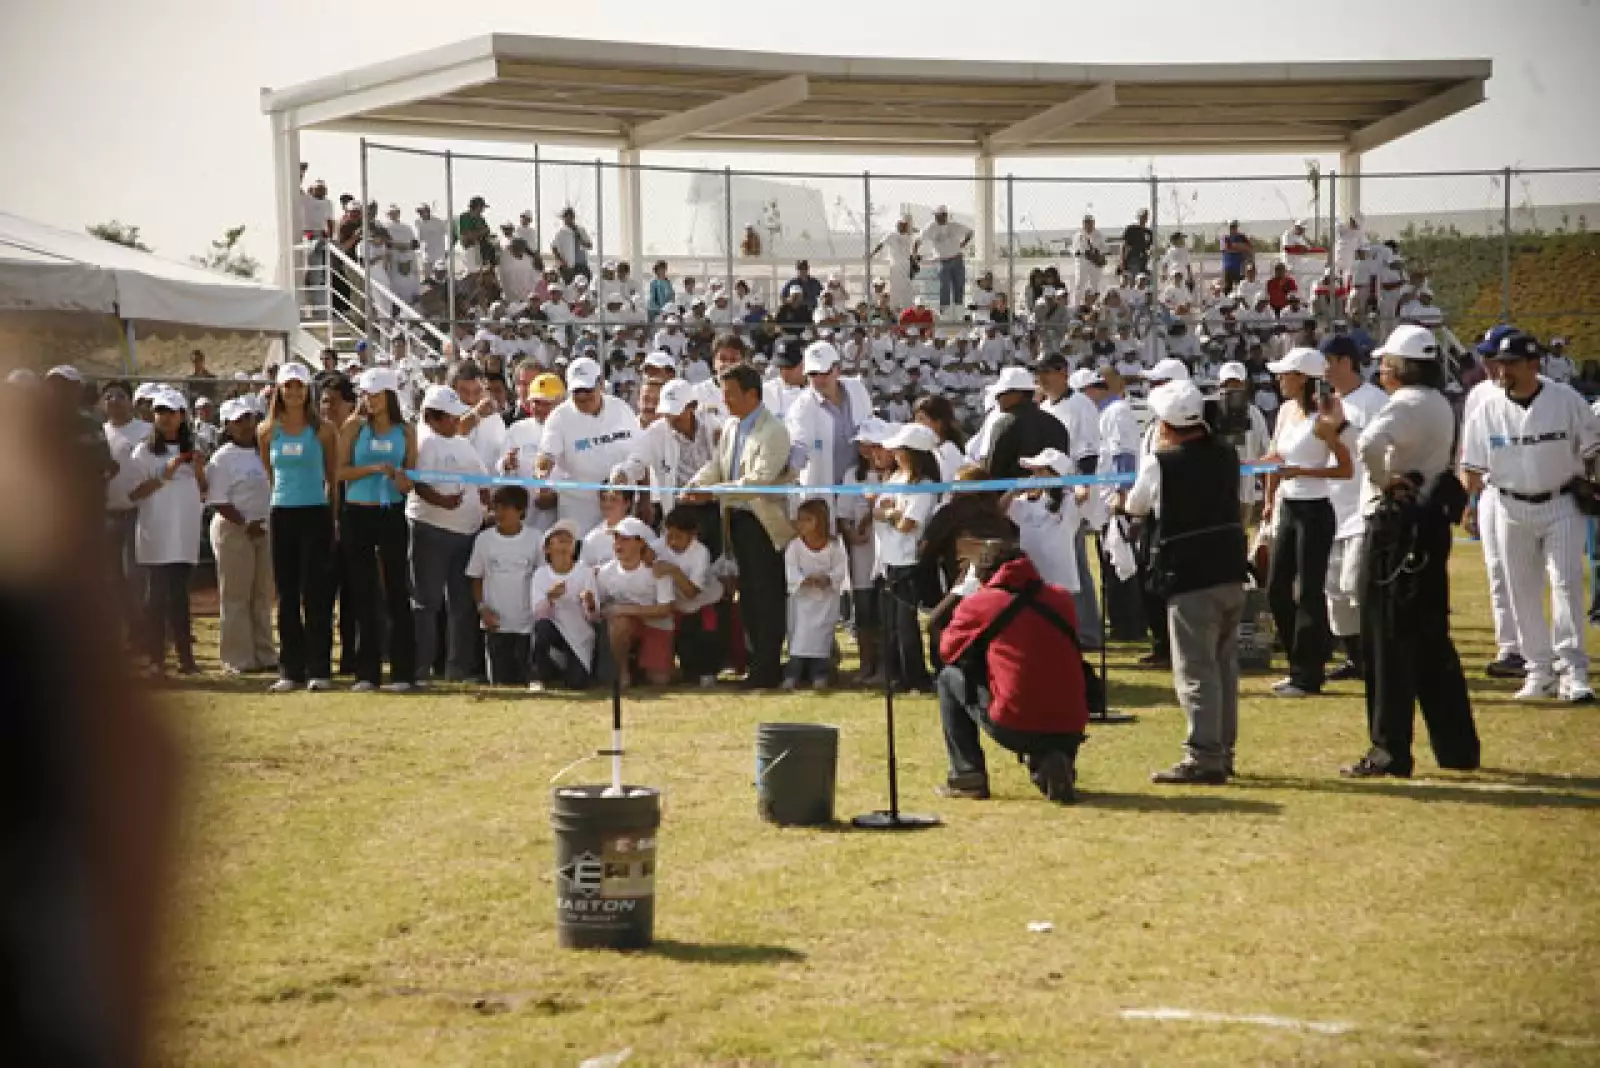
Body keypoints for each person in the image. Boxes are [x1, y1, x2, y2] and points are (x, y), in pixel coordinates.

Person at [1342, 325, 1480, 777]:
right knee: (1431, 642)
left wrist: (1385, 481)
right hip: (1429, 526)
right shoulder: (1439, 403)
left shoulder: (1406, 404)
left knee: (1385, 641)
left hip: (1395, 530)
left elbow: (1368, 444)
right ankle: (1457, 746)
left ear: (1398, 367)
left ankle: (1389, 749)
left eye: (1385, 363)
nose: (1381, 370)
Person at [1121, 381, 1250, 783]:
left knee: (1195, 670)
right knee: (1224, 668)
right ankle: (1222, 749)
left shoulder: (1161, 462)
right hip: (1230, 568)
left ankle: (1204, 755)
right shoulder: (1228, 455)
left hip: (1189, 574)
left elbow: (1136, 505)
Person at [1461, 333, 1600, 703]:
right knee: (1520, 588)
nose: (1502, 370)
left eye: (1511, 363)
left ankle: (1573, 672)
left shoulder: (1565, 399)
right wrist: (1473, 501)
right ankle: (1538, 670)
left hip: (1560, 503)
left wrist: (1591, 482)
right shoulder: (1487, 408)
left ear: (1533, 364)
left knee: (1566, 583)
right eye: (1500, 363)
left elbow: (1593, 450)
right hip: (1509, 505)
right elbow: (1471, 467)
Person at [934, 542, 1090, 802]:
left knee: (949, 678)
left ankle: (967, 776)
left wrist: (963, 598)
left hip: (1017, 719)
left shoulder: (981, 603)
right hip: (1071, 721)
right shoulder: (1061, 598)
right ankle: (1052, 759)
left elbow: (947, 651)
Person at [685, 363, 795, 689]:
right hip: (734, 520)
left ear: (752, 393)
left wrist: (713, 491)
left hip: (762, 524)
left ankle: (767, 668)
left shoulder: (774, 431)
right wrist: (696, 484)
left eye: (731, 393)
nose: (725, 399)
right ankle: (754, 663)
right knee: (746, 597)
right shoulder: (732, 427)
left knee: (766, 597)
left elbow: (758, 480)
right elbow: (718, 466)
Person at [1260, 346, 1351, 697]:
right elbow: (1276, 456)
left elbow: (1344, 469)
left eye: (1286, 374)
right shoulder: (1285, 412)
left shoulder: (1325, 417)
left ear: (1303, 379)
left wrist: (1300, 471)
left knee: (1311, 592)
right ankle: (1298, 663)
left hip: (1315, 511)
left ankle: (1308, 674)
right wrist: (1266, 489)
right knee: (1276, 589)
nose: (1280, 379)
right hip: (1289, 508)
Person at [259, 363, 339, 694]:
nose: (294, 393)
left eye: (300, 387)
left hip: (315, 514)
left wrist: (332, 519)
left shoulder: (322, 430)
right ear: (279, 390)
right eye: (288, 386)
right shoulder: (267, 430)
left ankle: (319, 668)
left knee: (316, 594)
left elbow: (331, 477)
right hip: (283, 513)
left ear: (308, 390)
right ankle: (290, 669)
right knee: (287, 594)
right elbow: (270, 473)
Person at [337, 367, 418, 691]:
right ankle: (366, 672)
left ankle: (402, 672)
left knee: (398, 590)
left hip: (392, 514)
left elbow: (410, 477)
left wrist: (402, 479)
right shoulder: (354, 427)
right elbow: (340, 472)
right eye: (366, 395)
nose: (369, 401)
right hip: (358, 514)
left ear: (390, 396)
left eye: (376, 394)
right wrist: (373, 469)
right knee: (362, 591)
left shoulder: (406, 431)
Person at [407, 384, 489, 684]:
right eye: (450, 418)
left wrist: (485, 500)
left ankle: (458, 668)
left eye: (458, 417)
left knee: (460, 604)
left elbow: (482, 478)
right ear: (431, 417)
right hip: (430, 530)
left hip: (465, 532)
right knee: (426, 602)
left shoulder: (461, 442)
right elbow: (419, 485)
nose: (457, 422)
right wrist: (443, 501)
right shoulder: (423, 442)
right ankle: (421, 669)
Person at [1320, 335, 1390, 683]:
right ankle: (1354, 659)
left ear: (1345, 362)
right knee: (1334, 591)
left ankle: (1377, 655)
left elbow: (1379, 447)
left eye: (1328, 362)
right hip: (1331, 504)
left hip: (1363, 503)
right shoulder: (1329, 402)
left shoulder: (1375, 401)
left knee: (1355, 585)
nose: (1325, 371)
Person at [126, 389, 207, 676]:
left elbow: (205, 491)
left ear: (182, 416)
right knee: (156, 597)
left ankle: (186, 659)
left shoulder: (193, 451)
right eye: (160, 411)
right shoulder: (143, 451)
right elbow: (134, 493)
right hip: (155, 535)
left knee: (180, 597)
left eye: (171, 412)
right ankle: (156, 658)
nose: (165, 417)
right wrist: (164, 473)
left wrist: (198, 470)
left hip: (183, 535)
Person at [1461, 325, 1527, 678]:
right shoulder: (1478, 394)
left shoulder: (1542, 393)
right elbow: (1469, 451)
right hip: (1489, 489)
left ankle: (1540, 648)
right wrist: (1470, 501)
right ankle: (1511, 648)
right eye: (1485, 356)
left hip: (1531, 489)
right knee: (1497, 572)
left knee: (1539, 575)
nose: (1487, 363)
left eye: (1494, 356)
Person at [205, 399, 276, 676]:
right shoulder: (223, 458)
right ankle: (238, 657)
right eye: (238, 421)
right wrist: (246, 524)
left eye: (248, 418)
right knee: (236, 595)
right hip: (234, 529)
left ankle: (265, 653)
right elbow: (218, 500)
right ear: (227, 426)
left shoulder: (264, 451)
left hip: (264, 528)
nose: (245, 425)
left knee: (261, 594)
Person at [870, 423, 941, 693]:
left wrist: (891, 513)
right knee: (889, 624)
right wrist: (890, 514)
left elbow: (908, 524)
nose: (895, 454)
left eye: (900, 450)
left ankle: (916, 678)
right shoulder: (896, 479)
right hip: (887, 558)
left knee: (906, 625)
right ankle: (895, 675)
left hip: (908, 561)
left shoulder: (925, 486)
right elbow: (878, 510)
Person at [536, 356, 641, 532]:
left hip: (621, 507)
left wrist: (644, 500)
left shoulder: (622, 409)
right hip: (579, 510)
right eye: (577, 391)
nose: (582, 396)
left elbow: (639, 453)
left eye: (587, 389)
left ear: (600, 383)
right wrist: (542, 472)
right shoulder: (559, 417)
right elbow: (546, 455)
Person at [466, 486, 542, 687]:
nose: (499, 514)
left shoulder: (536, 539)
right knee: (500, 682)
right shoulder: (484, 539)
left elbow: (543, 576)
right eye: (496, 508)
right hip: (495, 625)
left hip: (527, 625)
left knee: (526, 681)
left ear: (520, 510)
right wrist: (482, 609)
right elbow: (475, 577)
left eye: (505, 508)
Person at [786, 340, 873, 511]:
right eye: (813, 374)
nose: (818, 379)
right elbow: (799, 445)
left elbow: (871, 425)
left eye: (824, 372)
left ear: (837, 369)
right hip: (822, 489)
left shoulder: (857, 388)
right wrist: (787, 478)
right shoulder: (802, 406)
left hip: (859, 483)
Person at [595, 516, 676, 687]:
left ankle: (644, 664)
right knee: (619, 623)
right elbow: (600, 606)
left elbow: (665, 609)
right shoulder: (605, 571)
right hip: (626, 625)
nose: (618, 544)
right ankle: (622, 671)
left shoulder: (658, 569)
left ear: (641, 543)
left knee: (659, 680)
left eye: (625, 539)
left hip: (657, 625)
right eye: (616, 538)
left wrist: (625, 609)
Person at [783, 498, 851, 690]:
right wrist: (804, 580)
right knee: (799, 639)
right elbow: (791, 570)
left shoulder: (834, 547)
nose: (801, 524)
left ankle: (820, 674)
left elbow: (840, 570)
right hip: (802, 603)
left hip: (825, 601)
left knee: (821, 639)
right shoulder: (794, 546)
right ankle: (793, 675)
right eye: (800, 519)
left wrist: (827, 579)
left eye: (807, 519)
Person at [102, 378, 152, 636]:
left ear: (130, 401)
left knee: (135, 575)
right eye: (108, 396)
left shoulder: (145, 431)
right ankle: (120, 632)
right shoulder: (100, 433)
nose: (113, 400)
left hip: (138, 512)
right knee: (111, 578)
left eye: (120, 395)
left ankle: (141, 632)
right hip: (107, 513)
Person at [653, 506, 724, 687]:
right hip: (678, 606)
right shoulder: (659, 546)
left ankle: (708, 672)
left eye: (679, 537)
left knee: (706, 637)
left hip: (704, 602)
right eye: (669, 536)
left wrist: (673, 571)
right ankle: (687, 671)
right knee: (683, 644)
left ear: (693, 535)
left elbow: (692, 592)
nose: (673, 542)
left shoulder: (701, 553)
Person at [529, 519, 598, 692]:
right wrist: (550, 598)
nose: (565, 541)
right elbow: (538, 614)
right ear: (547, 548)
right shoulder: (540, 574)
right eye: (559, 538)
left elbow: (594, 616)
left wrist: (588, 602)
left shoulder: (585, 572)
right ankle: (538, 676)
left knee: (577, 684)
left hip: (579, 634)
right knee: (542, 628)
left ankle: (562, 669)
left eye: (568, 539)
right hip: (554, 629)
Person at [1005, 450, 1081, 593]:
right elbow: (999, 510)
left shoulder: (1069, 502)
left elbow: (1082, 494)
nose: (1034, 476)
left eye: (1040, 471)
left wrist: (1067, 481)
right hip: (1032, 583)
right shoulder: (1027, 501)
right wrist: (1014, 490)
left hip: (1061, 585)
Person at [985, 367, 1070, 480]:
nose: (997, 398)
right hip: (1053, 495)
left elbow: (993, 472)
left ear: (1017, 394)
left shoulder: (1004, 425)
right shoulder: (1056, 424)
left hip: (1011, 496)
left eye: (1001, 393)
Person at [915, 206, 973, 317]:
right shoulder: (930, 227)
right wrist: (914, 254)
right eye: (937, 215)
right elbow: (918, 240)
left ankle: (958, 312)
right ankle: (945, 313)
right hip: (942, 261)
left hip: (957, 259)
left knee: (959, 285)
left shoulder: (954, 225)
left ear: (945, 215)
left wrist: (963, 244)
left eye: (942, 215)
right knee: (944, 287)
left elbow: (970, 232)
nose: (939, 217)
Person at [872, 214, 917, 310]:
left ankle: (908, 312)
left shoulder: (909, 236)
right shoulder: (892, 235)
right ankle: (894, 311)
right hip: (896, 267)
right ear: (897, 225)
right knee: (895, 292)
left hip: (906, 267)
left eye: (905, 224)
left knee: (907, 291)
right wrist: (872, 254)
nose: (903, 226)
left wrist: (914, 263)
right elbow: (881, 244)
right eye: (900, 224)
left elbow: (916, 230)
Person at [1070, 214, 1108, 306]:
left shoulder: (1099, 234)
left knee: (1095, 286)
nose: (1088, 225)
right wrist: (1075, 252)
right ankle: (1077, 306)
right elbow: (1073, 248)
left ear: (1094, 223)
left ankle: (1095, 306)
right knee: (1079, 285)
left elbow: (1105, 248)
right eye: (1086, 222)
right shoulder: (1078, 235)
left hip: (1095, 263)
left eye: (1090, 222)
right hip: (1082, 263)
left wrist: (1097, 252)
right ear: (1083, 224)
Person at [550, 206, 592, 283]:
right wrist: (562, 262)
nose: (567, 219)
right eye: (565, 217)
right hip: (569, 267)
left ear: (573, 217)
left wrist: (581, 239)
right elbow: (554, 248)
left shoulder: (581, 230)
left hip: (582, 265)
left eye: (569, 216)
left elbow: (589, 246)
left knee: (584, 285)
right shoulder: (561, 233)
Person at [1220, 220, 1254, 293]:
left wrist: (1234, 246)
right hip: (1228, 268)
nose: (1233, 228)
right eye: (1231, 226)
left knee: (1241, 289)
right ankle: (1227, 304)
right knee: (1227, 289)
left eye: (1234, 226)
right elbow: (1226, 249)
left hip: (1240, 267)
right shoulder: (1225, 238)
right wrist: (1241, 249)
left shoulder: (1242, 237)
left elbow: (1250, 248)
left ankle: (1239, 304)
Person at [1120, 208, 1154, 278]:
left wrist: (1149, 254)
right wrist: (1122, 260)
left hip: (1144, 260)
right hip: (1133, 259)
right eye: (1142, 216)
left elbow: (1149, 247)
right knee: (1132, 278)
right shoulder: (1131, 229)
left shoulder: (1148, 232)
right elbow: (1124, 245)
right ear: (1138, 217)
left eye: (1146, 216)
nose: (1144, 218)